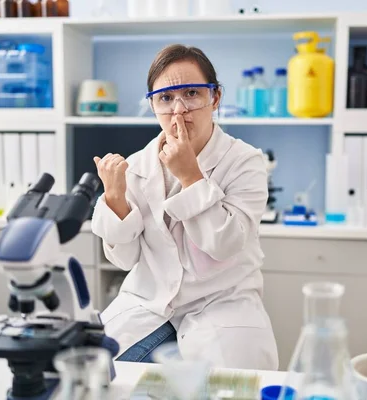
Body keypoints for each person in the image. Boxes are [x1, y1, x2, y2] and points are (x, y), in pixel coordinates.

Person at [91, 44, 279, 370]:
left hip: (222, 301)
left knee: (230, 386)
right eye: (165, 98)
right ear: (152, 105)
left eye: (191, 93)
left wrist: (190, 175)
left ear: (215, 97)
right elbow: (124, 259)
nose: (179, 110)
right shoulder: (137, 166)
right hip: (148, 302)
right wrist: (116, 199)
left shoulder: (245, 162)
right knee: (90, 372)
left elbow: (225, 244)